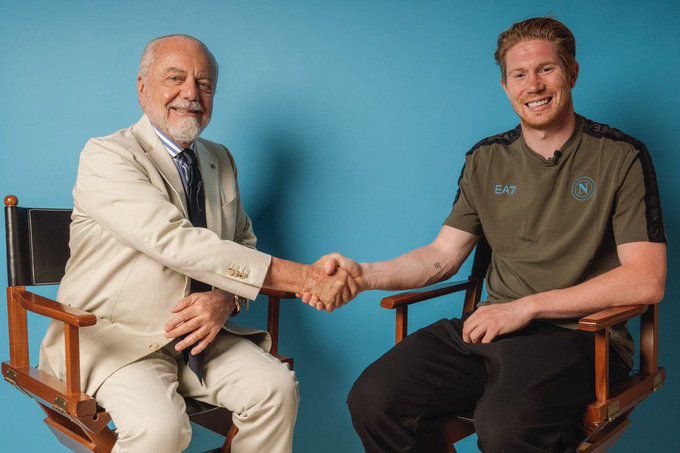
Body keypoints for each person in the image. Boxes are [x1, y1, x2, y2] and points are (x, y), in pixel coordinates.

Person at [305, 17, 667, 452]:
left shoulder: (620, 156)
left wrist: (527, 307)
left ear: (571, 73)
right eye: (519, 75)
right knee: (374, 399)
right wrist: (363, 275)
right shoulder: (486, 159)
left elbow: (646, 280)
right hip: (492, 328)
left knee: (504, 426)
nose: (533, 85)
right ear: (505, 87)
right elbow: (441, 256)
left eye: (546, 69)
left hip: (583, 338)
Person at [38, 34, 355, 452]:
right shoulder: (107, 156)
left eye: (204, 84)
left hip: (198, 338)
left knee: (275, 389)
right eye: (175, 78)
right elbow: (176, 241)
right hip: (116, 338)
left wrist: (225, 298)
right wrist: (305, 278)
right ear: (142, 88)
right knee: (163, 429)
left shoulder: (219, 159)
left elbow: (243, 240)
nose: (191, 93)